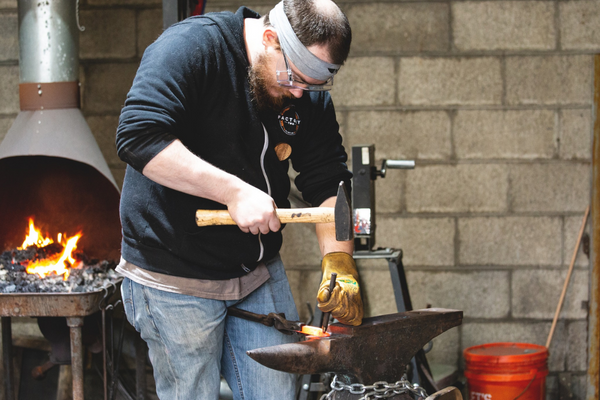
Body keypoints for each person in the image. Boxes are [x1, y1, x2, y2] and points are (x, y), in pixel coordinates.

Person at [115, 0, 363, 398]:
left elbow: (328, 183)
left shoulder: (304, 94)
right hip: (174, 276)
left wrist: (339, 261)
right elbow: (138, 137)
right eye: (293, 77)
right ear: (269, 38)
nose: (298, 92)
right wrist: (232, 192)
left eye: (311, 85)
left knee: (279, 393)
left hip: (255, 272)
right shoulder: (191, 48)